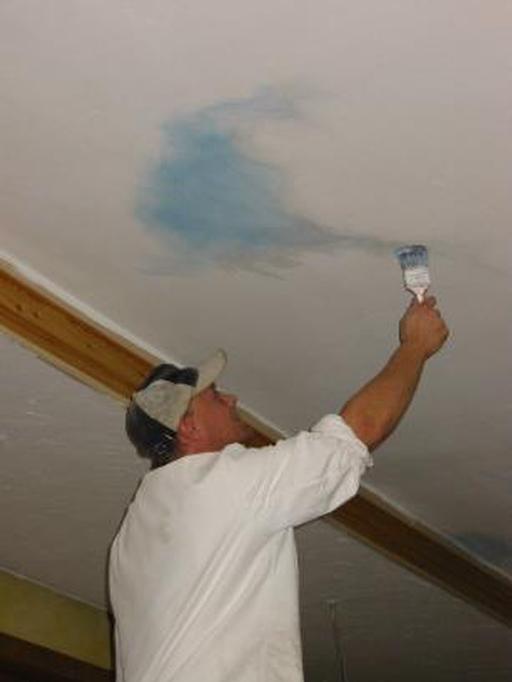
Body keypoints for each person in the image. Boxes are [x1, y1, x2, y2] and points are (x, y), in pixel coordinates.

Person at [109, 296, 448, 682]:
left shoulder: (130, 536)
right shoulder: (219, 482)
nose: (232, 399)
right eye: (216, 396)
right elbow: (352, 438)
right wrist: (415, 346)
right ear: (188, 427)